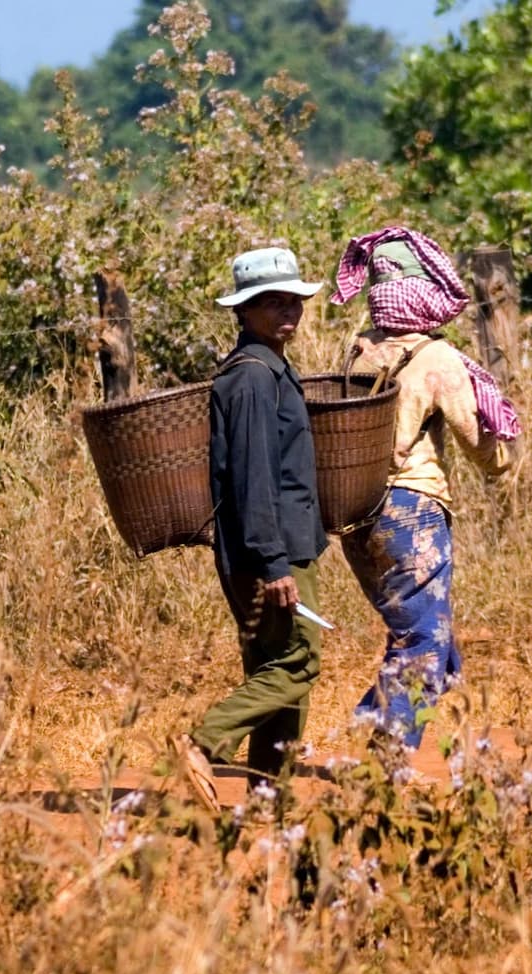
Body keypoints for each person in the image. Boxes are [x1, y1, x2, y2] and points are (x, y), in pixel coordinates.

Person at [328, 227, 521, 750]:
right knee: (424, 645)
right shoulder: (437, 360)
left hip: (355, 517)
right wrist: (505, 456)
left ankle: (431, 736)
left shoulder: (359, 351)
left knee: (418, 630)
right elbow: (482, 447)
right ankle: (381, 754)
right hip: (411, 513)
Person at [174, 247, 329, 810]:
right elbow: (252, 477)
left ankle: (269, 803)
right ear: (243, 312)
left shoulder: (269, 369)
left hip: (284, 548)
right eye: (271, 302)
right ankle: (201, 742)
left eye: (294, 300)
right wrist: (274, 564)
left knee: (275, 669)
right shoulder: (252, 380)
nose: (287, 311)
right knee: (296, 664)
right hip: (271, 553)